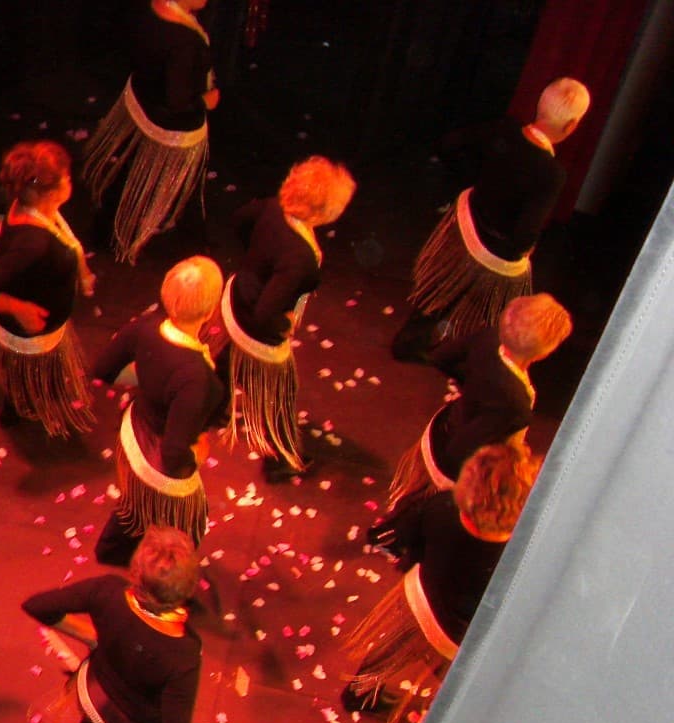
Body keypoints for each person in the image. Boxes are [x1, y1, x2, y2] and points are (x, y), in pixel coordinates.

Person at [22, 527, 202, 723]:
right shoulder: (184, 651)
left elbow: (37, 605)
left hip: (97, 698)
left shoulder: (107, 591)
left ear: (137, 570)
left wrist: (90, 636)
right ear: (186, 587)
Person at [393, 77, 590, 362]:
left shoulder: (505, 129)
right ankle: (474, 357)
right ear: (571, 126)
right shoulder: (551, 173)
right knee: (507, 294)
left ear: (540, 104)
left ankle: (413, 339)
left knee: (448, 283)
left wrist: (473, 182)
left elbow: (449, 144)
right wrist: (524, 251)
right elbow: (526, 232)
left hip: (467, 222)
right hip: (498, 248)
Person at [344, 442, 539, 723]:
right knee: (456, 680)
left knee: (393, 649)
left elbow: (407, 538)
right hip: (460, 634)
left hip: (422, 602)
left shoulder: (441, 507)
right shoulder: (517, 554)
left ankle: (359, 694)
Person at [377, 293, 570, 537]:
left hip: (442, 427)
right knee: (419, 513)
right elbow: (464, 447)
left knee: (411, 501)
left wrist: (472, 388)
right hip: (452, 464)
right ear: (543, 352)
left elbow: (441, 357)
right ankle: (395, 534)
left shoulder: (489, 338)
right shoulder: (516, 405)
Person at [220, 156, 356, 479]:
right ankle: (280, 457)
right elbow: (266, 312)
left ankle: (212, 406)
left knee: (226, 360)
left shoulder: (270, 207)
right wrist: (284, 325)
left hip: (236, 297)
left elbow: (239, 221)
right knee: (279, 392)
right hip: (257, 326)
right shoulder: (301, 258)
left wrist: (256, 265)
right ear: (321, 213)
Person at [91, 256, 228, 566]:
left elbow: (104, 369)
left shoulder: (145, 327)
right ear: (210, 312)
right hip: (159, 462)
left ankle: (111, 550)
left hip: (134, 434)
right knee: (188, 525)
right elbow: (174, 452)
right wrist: (197, 453)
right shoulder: (197, 378)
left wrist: (152, 378)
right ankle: (168, 574)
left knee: (135, 503)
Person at [0, 140, 96, 438]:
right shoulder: (33, 244)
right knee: (25, 380)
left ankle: (24, 398)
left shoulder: (23, 201)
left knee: (35, 377)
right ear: (50, 193)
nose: (71, 181)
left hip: (41, 313)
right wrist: (19, 309)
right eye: (66, 178)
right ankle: (17, 406)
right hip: (28, 331)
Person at [82, 0, 219, 264]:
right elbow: (177, 101)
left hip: (141, 103)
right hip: (171, 126)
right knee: (185, 186)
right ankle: (190, 248)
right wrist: (205, 101)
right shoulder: (185, 43)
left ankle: (107, 232)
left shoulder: (146, 9)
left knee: (127, 167)